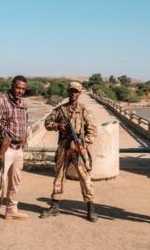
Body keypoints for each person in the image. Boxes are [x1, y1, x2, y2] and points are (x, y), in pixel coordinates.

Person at [40, 81, 98, 222]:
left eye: (76, 91)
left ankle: (90, 208)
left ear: (80, 93)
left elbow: (93, 131)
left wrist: (84, 144)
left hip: (78, 147)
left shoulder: (84, 109)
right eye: (71, 91)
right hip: (64, 146)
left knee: (85, 178)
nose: (73, 94)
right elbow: (47, 123)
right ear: (68, 92)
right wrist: (57, 126)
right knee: (59, 176)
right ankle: (54, 206)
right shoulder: (61, 110)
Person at [0, 75, 30, 237]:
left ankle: (11, 210)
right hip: (5, 148)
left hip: (18, 148)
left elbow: (24, 123)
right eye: (18, 87)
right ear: (12, 85)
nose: (20, 91)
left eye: (23, 89)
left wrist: (24, 142)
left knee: (15, 181)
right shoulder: (0, 101)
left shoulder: (23, 103)